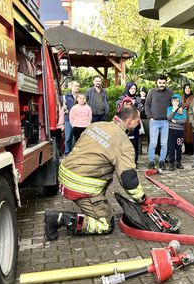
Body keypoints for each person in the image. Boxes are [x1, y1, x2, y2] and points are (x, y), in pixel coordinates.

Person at [44, 106, 144, 240]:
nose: (139, 124)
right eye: (138, 121)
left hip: (65, 174)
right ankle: (58, 219)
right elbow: (128, 180)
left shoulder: (96, 125)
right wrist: (142, 199)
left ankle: (90, 205)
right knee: (105, 224)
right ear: (130, 121)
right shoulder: (123, 143)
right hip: (80, 186)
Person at [145, 75, 174, 170]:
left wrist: (170, 117)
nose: (162, 85)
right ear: (156, 83)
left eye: (163, 83)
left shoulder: (170, 92)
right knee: (153, 143)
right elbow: (147, 105)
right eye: (160, 83)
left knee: (164, 144)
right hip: (154, 122)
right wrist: (150, 117)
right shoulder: (151, 92)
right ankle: (151, 162)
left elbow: (174, 105)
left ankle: (162, 161)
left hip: (165, 122)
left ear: (166, 83)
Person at [117, 82, 144, 164]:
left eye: (134, 89)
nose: (133, 90)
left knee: (135, 143)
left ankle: (134, 161)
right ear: (128, 88)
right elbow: (118, 108)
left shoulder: (138, 99)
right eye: (131, 88)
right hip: (124, 124)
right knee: (124, 143)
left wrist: (134, 103)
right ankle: (123, 161)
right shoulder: (122, 98)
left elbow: (141, 109)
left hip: (135, 123)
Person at [166, 94, 187, 171]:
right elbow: (168, 117)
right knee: (171, 147)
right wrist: (173, 110)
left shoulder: (183, 110)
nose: (175, 102)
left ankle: (178, 162)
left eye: (177, 101)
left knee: (179, 147)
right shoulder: (169, 109)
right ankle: (171, 163)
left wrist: (175, 121)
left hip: (180, 131)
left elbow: (184, 120)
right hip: (171, 130)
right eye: (174, 101)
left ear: (179, 101)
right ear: (172, 101)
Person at [63, 81, 80, 154]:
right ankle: (67, 153)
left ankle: (77, 154)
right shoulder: (66, 96)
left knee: (78, 138)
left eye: (78, 86)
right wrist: (65, 108)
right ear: (71, 87)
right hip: (68, 119)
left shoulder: (81, 96)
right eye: (76, 86)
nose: (77, 87)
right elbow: (63, 106)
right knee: (68, 137)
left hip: (79, 120)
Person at [182, 84, 194, 156]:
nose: (187, 89)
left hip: (190, 117)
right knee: (184, 134)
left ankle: (191, 150)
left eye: (189, 88)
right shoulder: (182, 97)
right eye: (186, 88)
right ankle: (186, 150)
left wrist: (184, 106)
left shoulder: (193, 97)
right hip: (183, 118)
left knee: (190, 134)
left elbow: (191, 105)